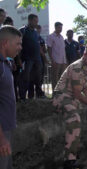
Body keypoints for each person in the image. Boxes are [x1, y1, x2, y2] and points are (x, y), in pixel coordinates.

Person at [52, 43, 87, 169]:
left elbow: (83, 87)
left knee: (82, 117)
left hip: (72, 98)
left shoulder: (86, 67)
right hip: (62, 97)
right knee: (75, 120)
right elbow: (77, 94)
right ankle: (69, 161)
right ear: (85, 55)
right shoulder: (77, 67)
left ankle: (75, 151)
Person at [0, 25, 22, 169]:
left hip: (6, 128)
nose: (20, 47)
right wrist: (1, 138)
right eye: (18, 44)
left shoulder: (6, 63)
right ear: (5, 43)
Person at [19, 14, 43, 101]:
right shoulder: (22, 30)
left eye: (37, 21)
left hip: (37, 59)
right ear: (29, 20)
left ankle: (36, 95)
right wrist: (19, 60)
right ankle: (22, 97)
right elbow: (18, 45)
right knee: (25, 78)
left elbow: (39, 46)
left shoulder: (36, 33)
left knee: (37, 78)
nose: (36, 23)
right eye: (35, 21)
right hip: (27, 59)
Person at [47, 22, 67, 93]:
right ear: (55, 27)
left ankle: (61, 93)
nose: (60, 29)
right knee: (55, 78)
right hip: (55, 61)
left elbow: (63, 50)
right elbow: (49, 49)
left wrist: (65, 61)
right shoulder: (51, 36)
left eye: (61, 27)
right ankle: (55, 94)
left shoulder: (62, 37)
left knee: (62, 78)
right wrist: (52, 60)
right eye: (59, 27)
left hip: (63, 61)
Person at [28, 24, 48, 98]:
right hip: (32, 60)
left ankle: (39, 94)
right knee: (31, 78)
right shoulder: (32, 37)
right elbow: (39, 50)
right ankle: (31, 95)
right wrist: (44, 57)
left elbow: (44, 50)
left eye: (39, 29)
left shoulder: (41, 39)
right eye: (37, 29)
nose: (38, 30)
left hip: (40, 61)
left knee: (40, 77)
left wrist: (44, 48)